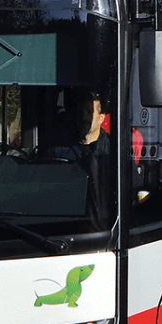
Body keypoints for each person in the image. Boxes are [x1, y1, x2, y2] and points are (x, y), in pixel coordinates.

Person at [43, 89, 112, 227]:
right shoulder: (57, 151)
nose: (84, 117)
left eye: (89, 111)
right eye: (80, 112)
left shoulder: (114, 150)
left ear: (101, 117)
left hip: (106, 229)